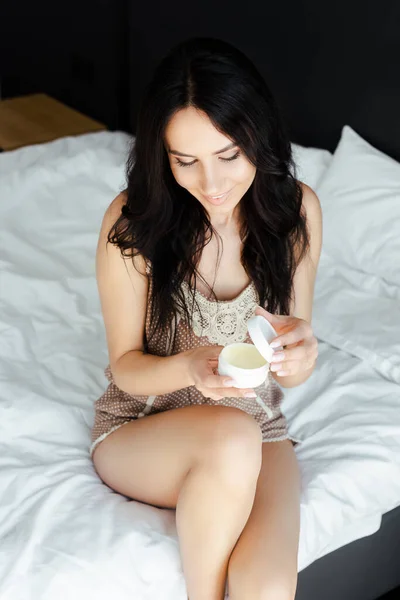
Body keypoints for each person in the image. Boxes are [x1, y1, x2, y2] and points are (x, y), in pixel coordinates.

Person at [90, 36, 322, 600]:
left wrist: (301, 355)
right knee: (231, 437)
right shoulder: (134, 223)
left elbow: (287, 370)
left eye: (228, 156)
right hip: (142, 430)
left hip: (258, 430)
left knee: (266, 588)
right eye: (185, 161)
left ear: (258, 141)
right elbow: (126, 368)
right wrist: (192, 366)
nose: (212, 185)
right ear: (160, 156)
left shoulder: (296, 213)